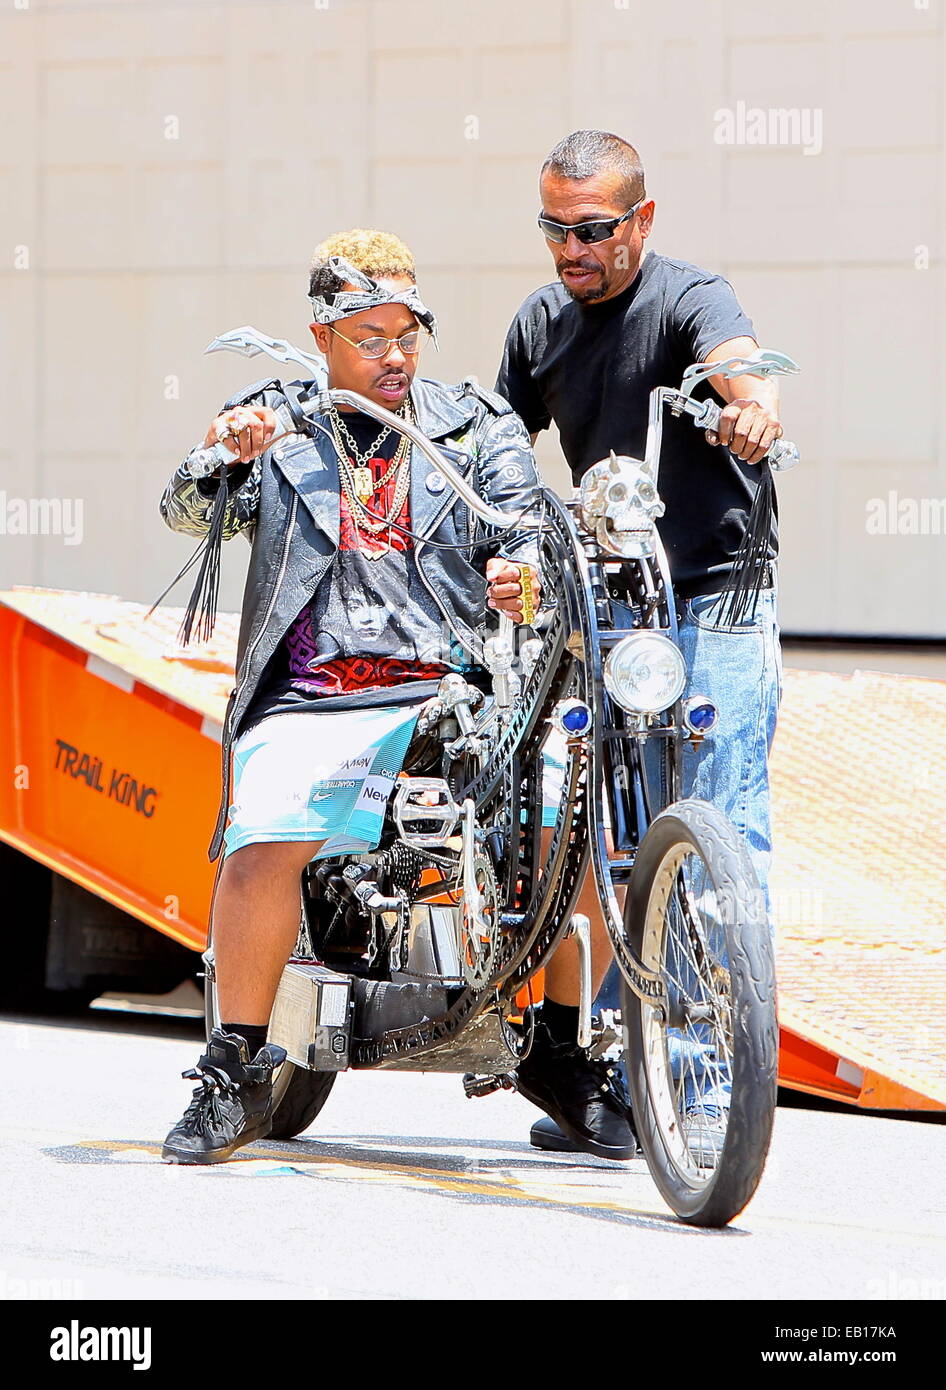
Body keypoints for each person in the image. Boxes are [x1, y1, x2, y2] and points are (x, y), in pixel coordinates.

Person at [157, 228, 630, 1165]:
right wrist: (220, 457)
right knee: (267, 834)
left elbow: (525, 529)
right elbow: (188, 513)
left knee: (567, 811)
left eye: (407, 332)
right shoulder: (279, 418)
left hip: (448, 689)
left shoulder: (472, 420)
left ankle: (567, 1053)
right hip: (314, 697)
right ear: (322, 336)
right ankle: (234, 1067)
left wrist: (521, 577)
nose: (394, 355)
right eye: (369, 337)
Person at [495, 130, 787, 1164]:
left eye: (590, 229)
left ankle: (713, 1080)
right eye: (552, 228)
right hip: (609, 602)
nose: (569, 250)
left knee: (720, 823)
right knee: (615, 834)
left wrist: (751, 412)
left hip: (713, 596)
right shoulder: (538, 324)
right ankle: (628, 1073)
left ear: (640, 221)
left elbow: (742, 370)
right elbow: (499, 444)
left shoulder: (688, 295)